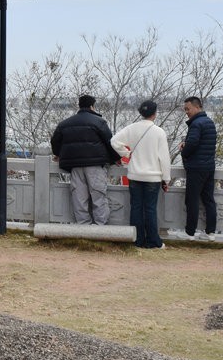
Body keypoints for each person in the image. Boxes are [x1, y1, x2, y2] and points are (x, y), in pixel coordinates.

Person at [111, 100, 172, 249]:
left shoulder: (131, 129)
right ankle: (153, 241)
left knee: (136, 208)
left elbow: (114, 141)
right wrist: (166, 179)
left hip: (135, 175)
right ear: (155, 113)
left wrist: (126, 153)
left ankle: (137, 240)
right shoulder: (159, 132)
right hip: (153, 177)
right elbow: (164, 158)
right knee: (150, 209)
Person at [50, 94, 119, 225]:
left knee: (79, 198)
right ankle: (100, 227)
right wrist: (115, 158)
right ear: (92, 106)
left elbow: (55, 141)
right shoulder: (99, 122)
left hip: (75, 166)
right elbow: (110, 142)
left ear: (79, 106)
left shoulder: (65, 123)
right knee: (98, 196)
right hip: (95, 165)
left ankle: (83, 226)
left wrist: (58, 154)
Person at [180, 96, 218, 240]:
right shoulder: (210, 122)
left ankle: (190, 233)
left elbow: (193, 143)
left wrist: (184, 150)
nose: (186, 112)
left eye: (188, 109)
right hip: (209, 166)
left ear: (197, 107)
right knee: (208, 199)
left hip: (196, 167)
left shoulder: (196, 124)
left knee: (192, 200)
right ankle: (211, 233)